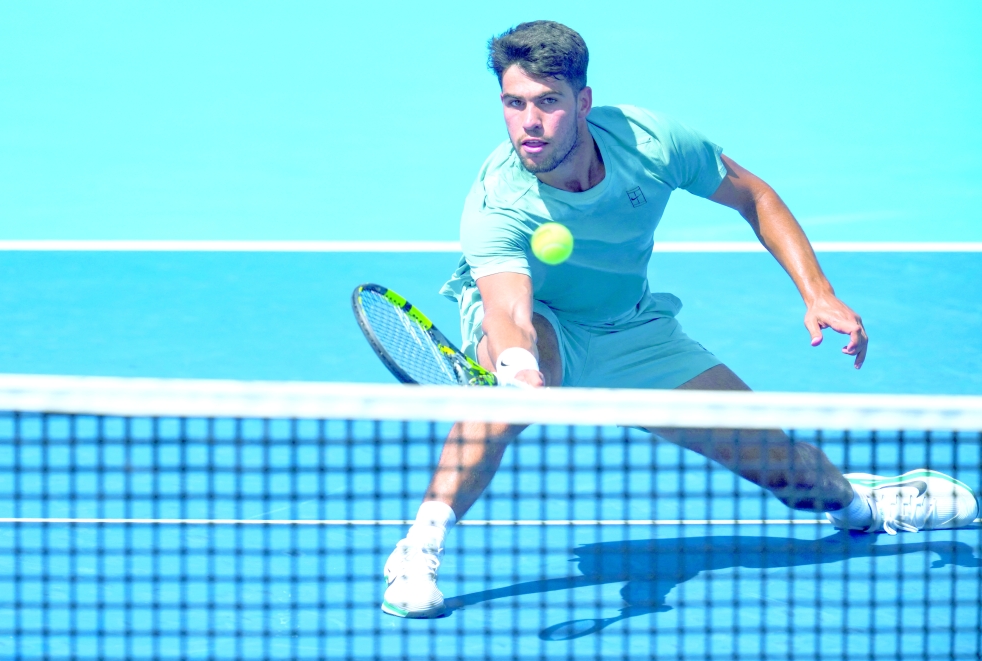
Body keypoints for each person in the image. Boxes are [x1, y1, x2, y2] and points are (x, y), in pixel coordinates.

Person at [381, 20, 979, 619]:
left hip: (635, 333)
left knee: (787, 472)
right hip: (543, 325)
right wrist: (517, 369)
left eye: (547, 103)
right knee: (506, 393)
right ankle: (417, 551)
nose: (529, 123)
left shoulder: (651, 142)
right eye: (514, 104)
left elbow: (755, 196)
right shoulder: (496, 202)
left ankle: (864, 508)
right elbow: (508, 307)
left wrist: (817, 291)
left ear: (583, 101)